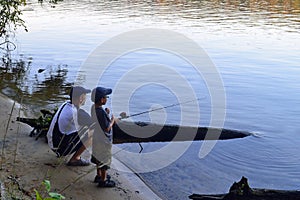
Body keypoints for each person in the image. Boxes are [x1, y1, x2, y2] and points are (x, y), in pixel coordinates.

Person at [47, 86, 93, 166]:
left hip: (52, 141)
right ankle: (75, 159)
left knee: (86, 129)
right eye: (85, 95)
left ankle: (67, 152)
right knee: (93, 133)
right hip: (58, 147)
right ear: (80, 98)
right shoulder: (76, 113)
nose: (86, 98)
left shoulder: (66, 104)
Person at [90, 86, 116, 187]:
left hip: (96, 138)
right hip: (104, 141)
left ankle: (98, 175)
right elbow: (107, 128)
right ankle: (104, 180)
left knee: (97, 157)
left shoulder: (94, 108)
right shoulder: (101, 112)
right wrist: (113, 120)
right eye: (106, 97)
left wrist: (107, 113)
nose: (106, 99)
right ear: (101, 99)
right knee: (105, 160)